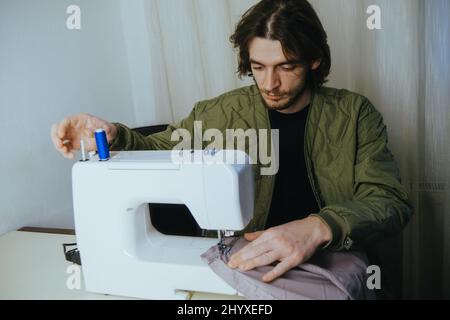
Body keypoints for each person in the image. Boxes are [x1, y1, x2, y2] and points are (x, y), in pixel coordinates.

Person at [51, 0, 412, 284]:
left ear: (314, 60)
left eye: (286, 67)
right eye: (257, 67)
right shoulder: (220, 113)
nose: (269, 83)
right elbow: (161, 150)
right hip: (243, 264)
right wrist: (115, 136)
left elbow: (389, 202)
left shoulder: (355, 114)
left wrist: (319, 226)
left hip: (327, 259)